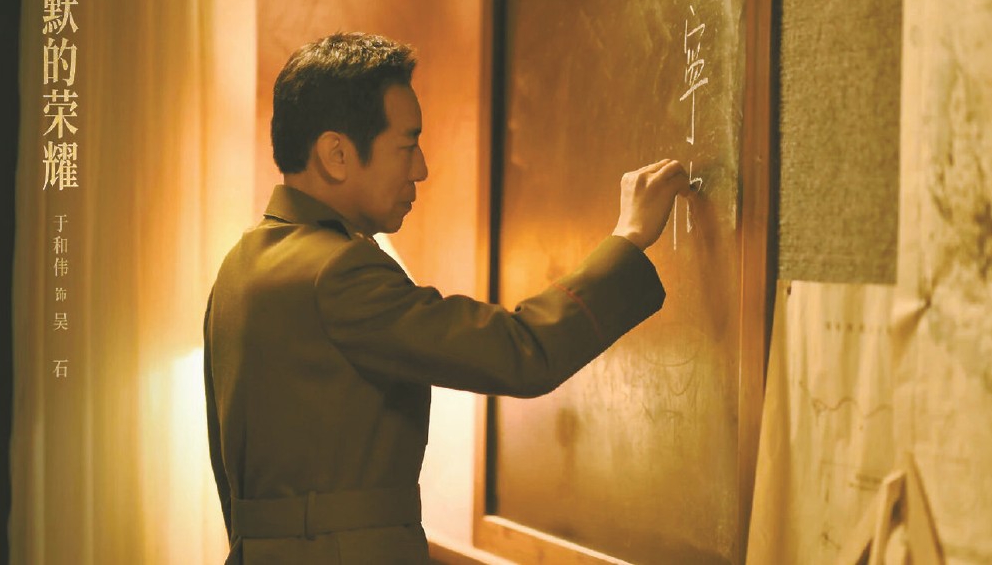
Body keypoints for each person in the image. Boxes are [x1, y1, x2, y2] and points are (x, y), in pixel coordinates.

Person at [204, 32, 691, 565]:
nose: (421, 169)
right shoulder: (338, 270)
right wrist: (628, 239)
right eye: (407, 145)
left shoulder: (240, 264)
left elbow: (234, 488)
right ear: (337, 154)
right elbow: (520, 352)